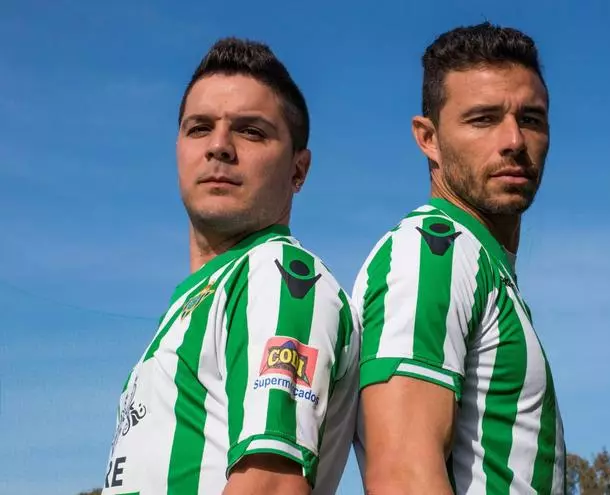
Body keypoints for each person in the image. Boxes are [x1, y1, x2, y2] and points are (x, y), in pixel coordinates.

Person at [102, 38, 358, 495]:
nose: (219, 146)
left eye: (251, 131)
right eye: (199, 128)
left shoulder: (278, 277)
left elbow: (271, 485)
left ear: (298, 170)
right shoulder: (198, 299)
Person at [352, 22, 566, 495]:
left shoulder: (480, 263)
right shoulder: (432, 252)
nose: (514, 140)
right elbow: (403, 476)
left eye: (531, 119)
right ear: (427, 137)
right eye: (483, 119)